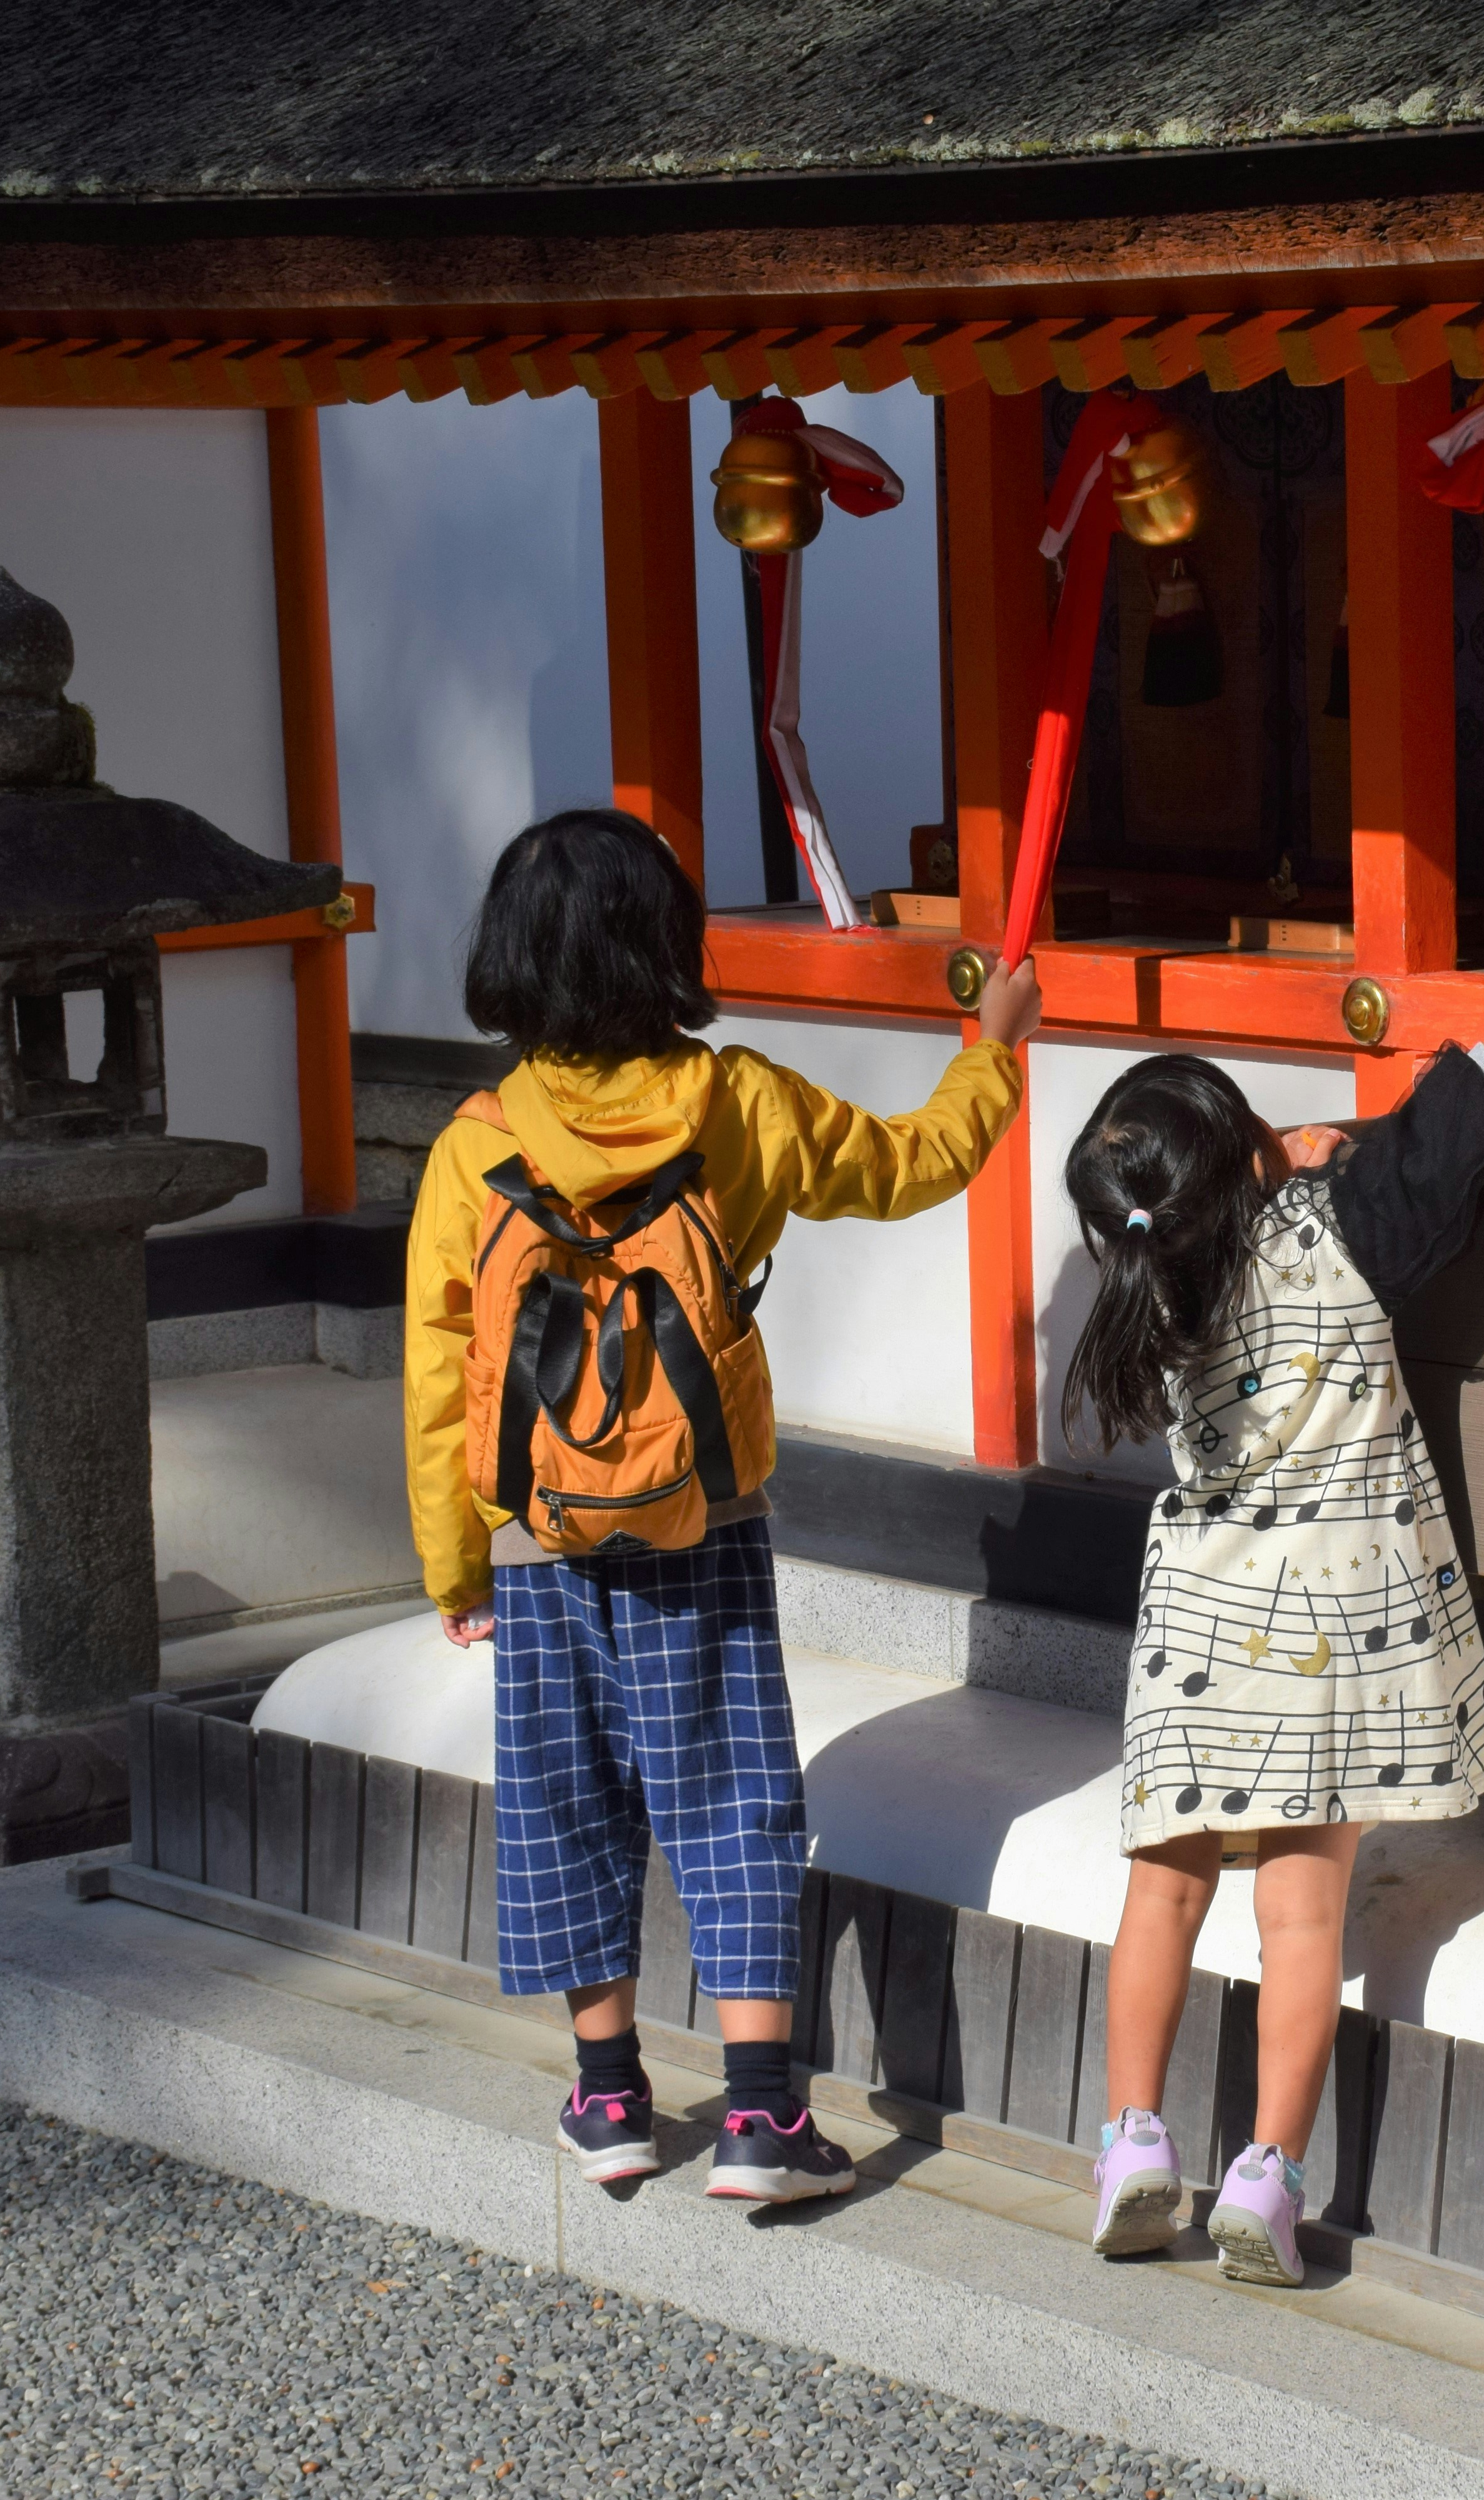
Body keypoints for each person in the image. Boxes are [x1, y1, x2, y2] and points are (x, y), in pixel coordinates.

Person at [404, 808, 1038, 2200]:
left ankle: (610, 2092)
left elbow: (440, 1371)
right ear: (668, 948)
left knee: (567, 1797)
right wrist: (994, 1048)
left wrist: (457, 1565)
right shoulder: (738, 1099)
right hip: (704, 1512)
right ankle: (761, 2118)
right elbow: (915, 1162)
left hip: (539, 1540)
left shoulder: (475, 1143)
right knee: (731, 1789)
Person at [1060, 918, 1484, 2284]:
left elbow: (1216, 1184)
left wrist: (1266, 1148)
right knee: (1301, 1917)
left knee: (1161, 1890)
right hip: (1331, 1637)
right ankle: (1266, 2179)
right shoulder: (1344, 1229)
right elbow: (1466, 1111)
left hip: (1200, 1638)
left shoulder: (1149, 1282)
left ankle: (1133, 2143)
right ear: (1249, 1149)